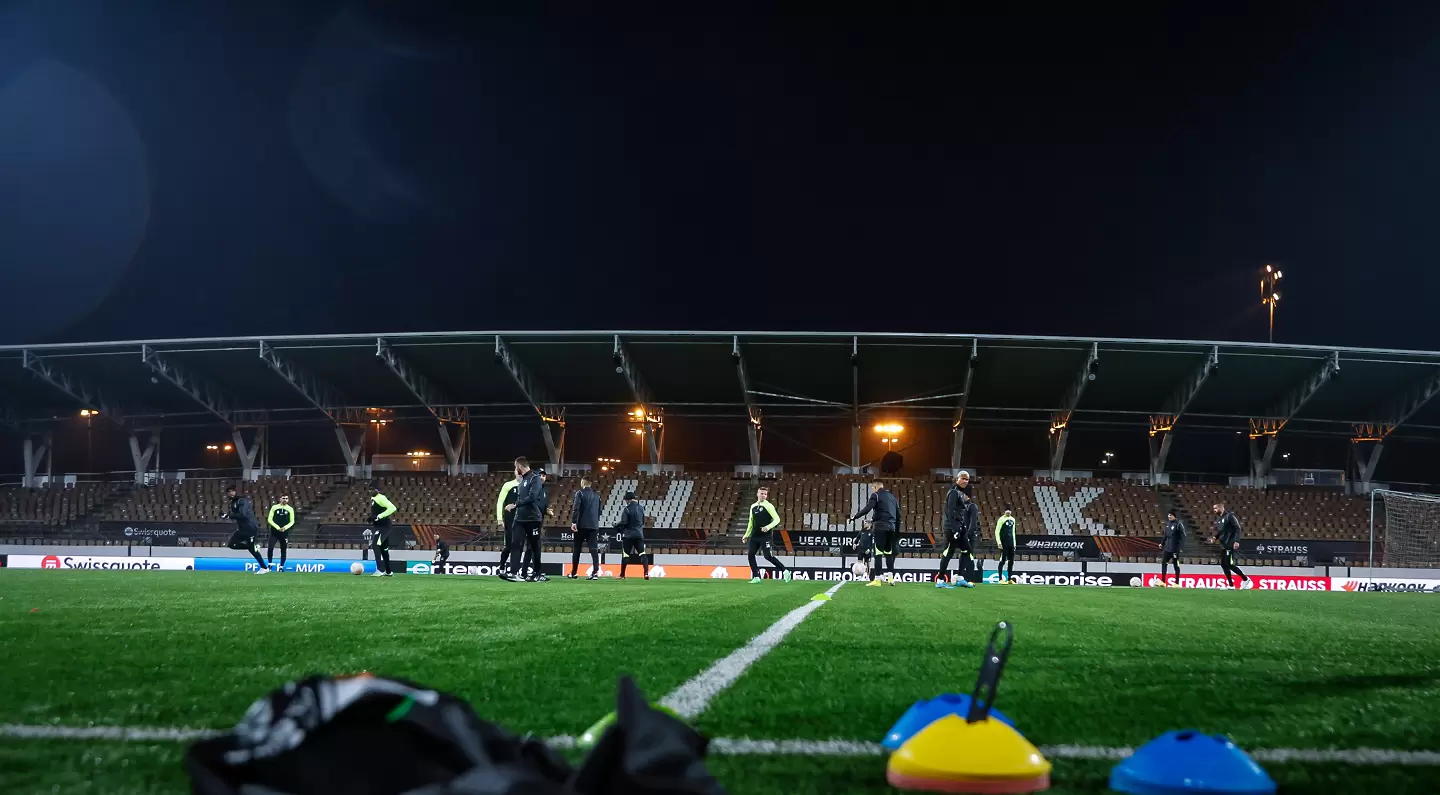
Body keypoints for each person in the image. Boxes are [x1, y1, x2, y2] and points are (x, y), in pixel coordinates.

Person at [851, 481, 899, 585]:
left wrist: (855, 516)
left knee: (878, 553)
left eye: (873, 488)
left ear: (875, 487)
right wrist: (897, 531)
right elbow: (898, 514)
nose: (873, 489)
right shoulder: (892, 497)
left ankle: (877, 579)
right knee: (888, 552)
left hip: (880, 526)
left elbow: (867, 508)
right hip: (891, 527)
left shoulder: (875, 495)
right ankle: (891, 578)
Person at [503, 458, 541, 581]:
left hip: (532, 519)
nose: (515, 470)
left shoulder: (535, 478)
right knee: (515, 545)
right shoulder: (522, 481)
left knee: (534, 547)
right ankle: (514, 573)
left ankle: (537, 573)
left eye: (515, 467)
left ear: (520, 466)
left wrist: (515, 504)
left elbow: (532, 497)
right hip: (519, 519)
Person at [743, 486, 791, 583]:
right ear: (757, 494)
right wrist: (746, 535)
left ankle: (785, 571)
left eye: (765, 494)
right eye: (762, 493)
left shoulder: (769, 506)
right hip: (755, 535)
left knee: (767, 556)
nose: (763, 495)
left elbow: (777, 519)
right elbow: (751, 522)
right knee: (750, 554)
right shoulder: (753, 506)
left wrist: (768, 527)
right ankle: (756, 577)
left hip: (765, 536)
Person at [937, 473, 975, 588]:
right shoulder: (953, 492)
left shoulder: (959, 493)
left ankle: (959, 577)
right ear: (957, 479)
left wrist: (962, 527)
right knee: (949, 552)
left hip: (959, 527)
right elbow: (949, 511)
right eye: (963, 479)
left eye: (967, 479)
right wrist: (954, 529)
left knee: (967, 550)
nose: (965, 481)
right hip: (952, 527)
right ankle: (940, 580)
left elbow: (958, 512)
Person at [517, 469, 555, 582]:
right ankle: (535, 574)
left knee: (531, 548)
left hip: (538, 521)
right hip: (532, 521)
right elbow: (533, 503)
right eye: (540, 475)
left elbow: (541, 506)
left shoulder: (543, 491)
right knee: (533, 548)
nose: (542, 477)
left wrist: (547, 511)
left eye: (544, 475)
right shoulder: (534, 489)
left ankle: (525, 573)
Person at [222, 485, 268, 573]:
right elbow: (236, 516)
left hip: (250, 527)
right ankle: (252, 546)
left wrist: (228, 516)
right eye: (229, 492)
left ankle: (264, 568)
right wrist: (227, 516)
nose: (231, 493)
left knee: (253, 550)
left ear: (235, 492)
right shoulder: (232, 503)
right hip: (242, 528)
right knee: (231, 544)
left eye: (232, 491)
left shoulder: (242, 501)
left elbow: (242, 514)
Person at [568, 477, 602, 579]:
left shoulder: (580, 493)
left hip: (581, 525)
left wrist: (574, 522)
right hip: (593, 525)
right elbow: (599, 511)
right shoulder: (597, 496)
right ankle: (595, 572)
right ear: (590, 484)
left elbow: (576, 508)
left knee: (577, 549)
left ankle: (574, 573)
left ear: (583, 483)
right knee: (594, 549)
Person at [1211, 502, 1250, 588]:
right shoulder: (1220, 519)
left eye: (1216, 508)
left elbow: (1238, 528)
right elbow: (1221, 531)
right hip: (1223, 544)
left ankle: (1246, 579)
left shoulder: (1230, 516)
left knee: (1229, 564)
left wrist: (1236, 541)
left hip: (1230, 543)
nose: (1214, 510)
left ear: (1221, 508)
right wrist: (1215, 537)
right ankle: (1231, 585)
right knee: (1223, 564)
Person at [615, 491, 649, 580]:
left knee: (626, 554)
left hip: (628, 535)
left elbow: (624, 522)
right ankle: (646, 573)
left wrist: (617, 525)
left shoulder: (627, 509)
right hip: (639, 534)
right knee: (642, 553)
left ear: (628, 500)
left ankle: (622, 575)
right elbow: (642, 522)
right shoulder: (641, 508)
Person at [369, 480, 398, 577]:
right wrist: (372, 518)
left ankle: (380, 570)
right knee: (384, 549)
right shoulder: (373, 498)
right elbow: (377, 511)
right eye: (369, 489)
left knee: (375, 544)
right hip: (380, 526)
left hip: (384, 527)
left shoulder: (381, 498)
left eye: (372, 489)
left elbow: (392, 508)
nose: (370, 491)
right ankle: (388, 571)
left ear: (377, 490)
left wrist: (379, 516)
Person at [495, 470, 520, 577]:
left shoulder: (528, 486)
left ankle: (515, 570)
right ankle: (502, 565)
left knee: (518, 545)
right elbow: (500, 501)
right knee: (509, 545)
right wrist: (500, 518)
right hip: (510, 519)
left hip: (523, 519)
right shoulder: (509, 485)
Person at [265, 494, 295, 572]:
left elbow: (292, 521)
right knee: (270, 547)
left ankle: (281, 566)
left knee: (283, 550)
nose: (285, 499)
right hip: (274, 532)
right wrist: (278, 527)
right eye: (283, 498)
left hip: (284, 533)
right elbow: (269, 519)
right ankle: (270, 564)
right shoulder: (274, 507)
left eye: (286, 498)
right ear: (280, 499)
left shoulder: (290, 509)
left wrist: (285, 527)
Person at [1158, 510, 1186, 587]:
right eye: (1168, 515)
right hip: (1167, 548)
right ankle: (1163, 582)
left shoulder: (1178, 524)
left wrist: (1180, 547)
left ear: (1174, 516)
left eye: (1171, 515)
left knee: (1175, 565)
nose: (1169, 516)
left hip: (1175, 549)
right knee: (1164, 563)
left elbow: (1183, 536)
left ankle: (1177, 583)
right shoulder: (1167, 524)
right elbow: (1166, 536)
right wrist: (1162, 543)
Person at [994, 505, 1017, 584]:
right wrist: (999, 542)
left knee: (1011, 561)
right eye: (1007, 510)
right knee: (1003, 560)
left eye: (1009, 510)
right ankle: (1000, 579)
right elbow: (997, 531)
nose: (1008, 512)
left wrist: (1014, 543)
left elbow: (1013, 532)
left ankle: (1009, 579)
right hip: (1004, 543)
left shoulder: (1013, 519)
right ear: (1004, 511)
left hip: (1011, 543)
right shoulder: (1001, 519)